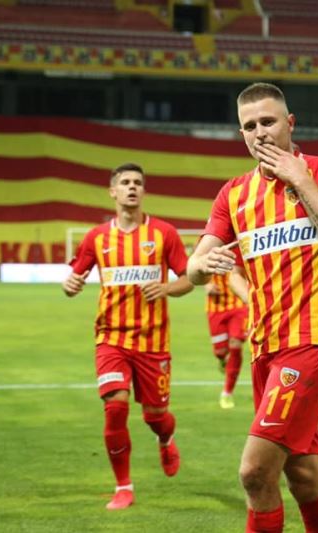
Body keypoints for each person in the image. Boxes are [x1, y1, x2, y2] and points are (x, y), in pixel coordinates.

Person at [187, 82, 318, 532]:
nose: (259, 132)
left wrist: (299, 179)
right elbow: (194, 267)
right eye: (249, 126)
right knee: (304, 476)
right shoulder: (233, 194)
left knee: (254, 470)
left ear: (290, 123)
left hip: (311, 342)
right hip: (264, 348)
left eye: (268, 121)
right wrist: (203, 263)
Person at [62, 163, 193, 510]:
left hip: (153, 342)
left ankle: (166, 438)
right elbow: (74, 278)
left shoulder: (164, 233)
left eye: (137, 182)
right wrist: (70, 284)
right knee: (115, 406)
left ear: (143, 191)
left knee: (155, 417)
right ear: (113, 192)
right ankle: (124, 487)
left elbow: (189, 279)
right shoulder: (96, 238)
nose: (132, 187)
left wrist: (166, 288)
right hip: (111, 339)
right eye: (125, 182)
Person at [205, 272, 249, 408]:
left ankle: (227, 392)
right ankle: (223, 359)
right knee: (220, 352)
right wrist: (206, 285)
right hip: (215, 307)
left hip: (239, 305)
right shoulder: (207, 255)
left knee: (235, 344)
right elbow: (197, 268)